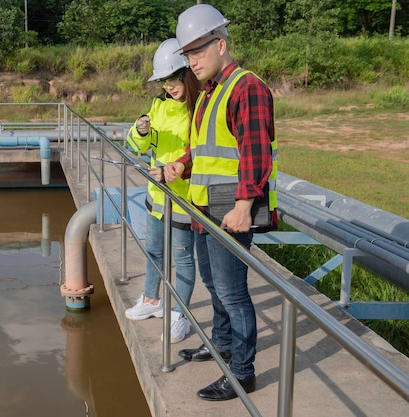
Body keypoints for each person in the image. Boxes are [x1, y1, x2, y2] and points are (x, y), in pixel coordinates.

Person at [163, 4, 278, 401]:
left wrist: (245, 205)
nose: (192, 61)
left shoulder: (247, 88)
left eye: (198, 51)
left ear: (221, 44)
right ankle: (221, 346)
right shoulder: (211, 93)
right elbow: (206, 150)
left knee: (232, 293)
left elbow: (255, 152)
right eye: (188, 54)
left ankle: (242, 373)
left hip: (230, 211)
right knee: (214, 286)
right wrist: (182, 163)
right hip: (204, 209)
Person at [124, 38, 202, 343]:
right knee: (154, 250)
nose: (169, 86)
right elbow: (136, 146)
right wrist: (141, 130)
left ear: (188, 75)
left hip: (183, 197)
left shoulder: (199, 110)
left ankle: (180, 315)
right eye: (164, 81)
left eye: (174, 79)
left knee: (183, 258)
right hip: (156, 194)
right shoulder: (158, 106)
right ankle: (152, 300)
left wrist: (173, 172)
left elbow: (199, 155)